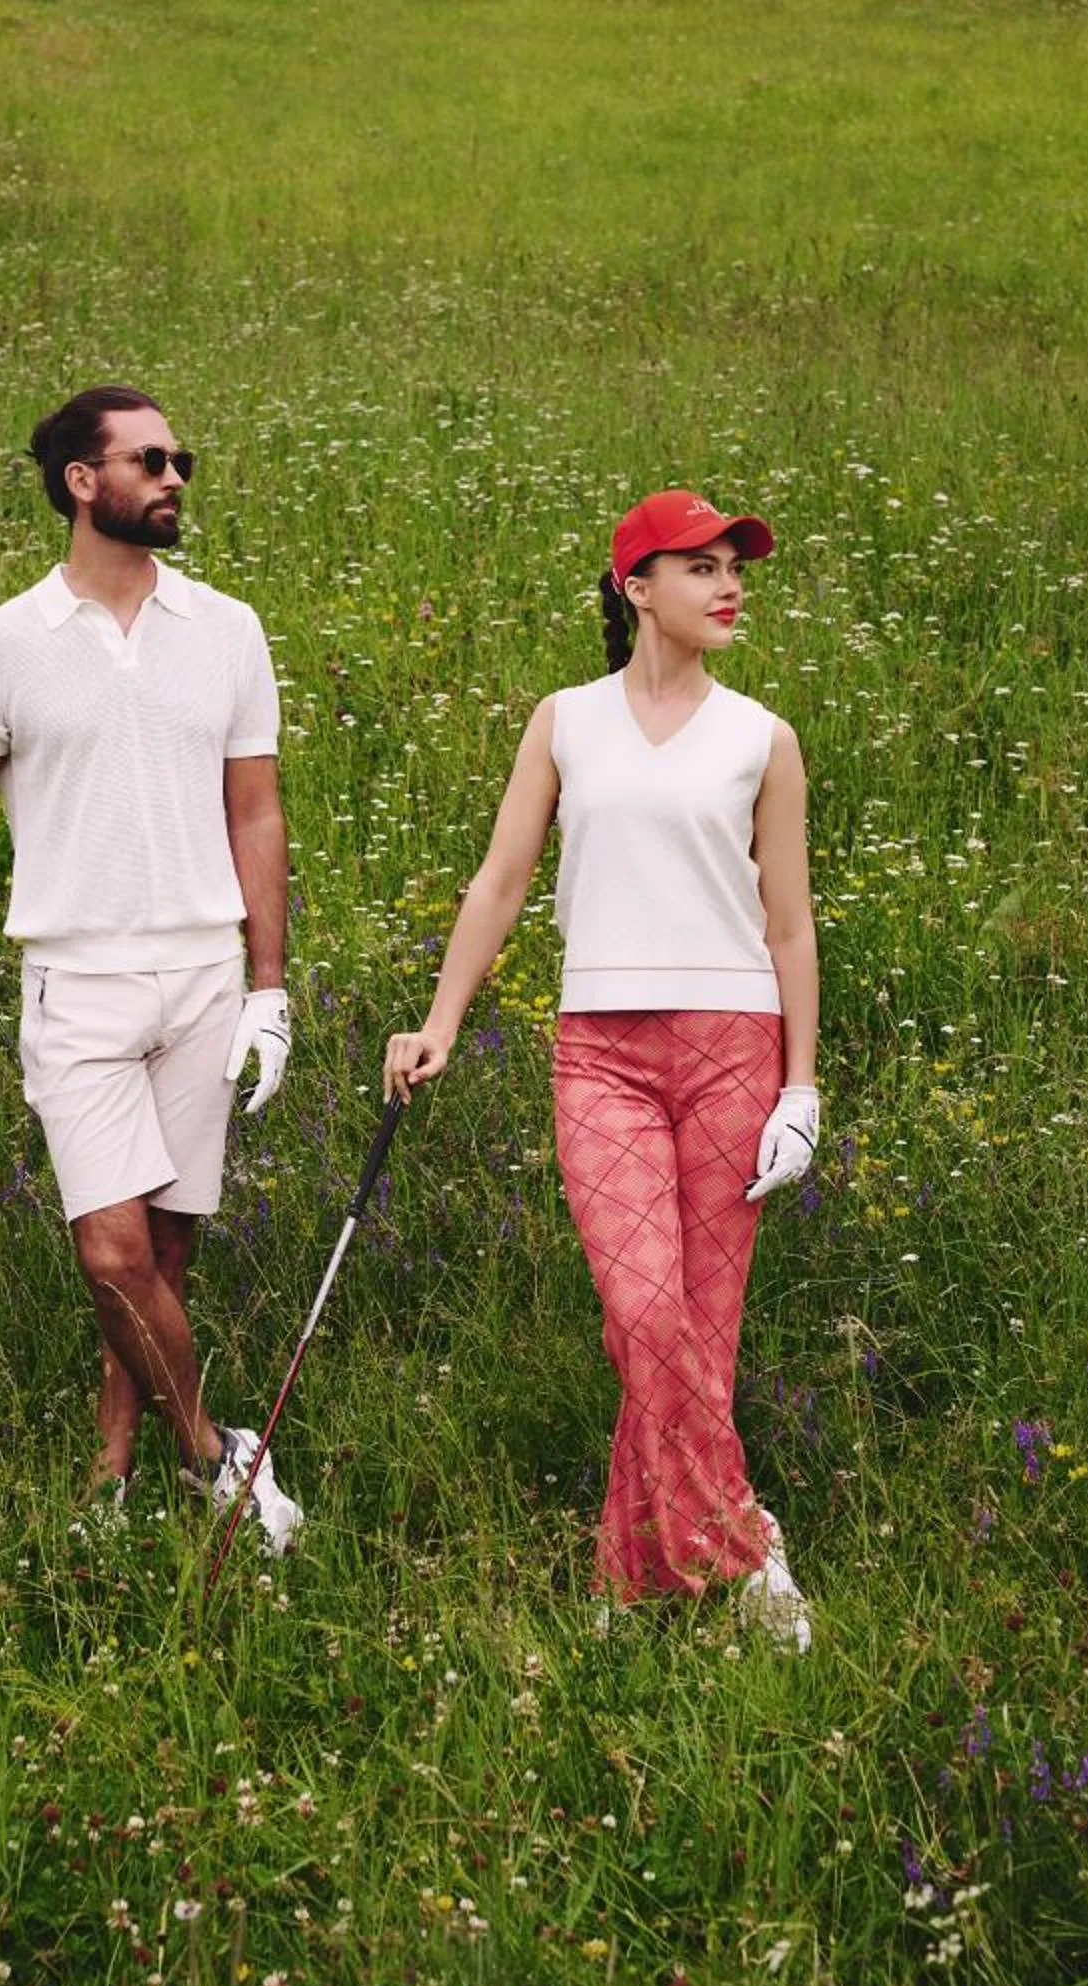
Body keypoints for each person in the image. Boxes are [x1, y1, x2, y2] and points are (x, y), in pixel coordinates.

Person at [0, 385, 304, 1555]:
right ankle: (221, 1459)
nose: (176, 478)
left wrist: (269, 989)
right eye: (151, 460)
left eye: (183, 457)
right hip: (74, 981)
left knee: (165, 1249)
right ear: (82, 481)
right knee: (110, 1249)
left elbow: (258, 813)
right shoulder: (5, 641)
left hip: (203, 973)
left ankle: (113, 1472)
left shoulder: (227, 628)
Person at [384, 490, 822, 1648]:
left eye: (737, 568)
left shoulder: (763, 737)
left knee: (704, 1325)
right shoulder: (565, 720)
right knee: (643, 1312)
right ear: (637, 587)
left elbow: (791, 927)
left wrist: (804, 1086)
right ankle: (746, 1540)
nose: (731, 586)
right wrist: (438, 1019)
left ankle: (630, 1583)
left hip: (736, 1044)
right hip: (603, 1053)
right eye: (703, 567)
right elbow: (500, 882)